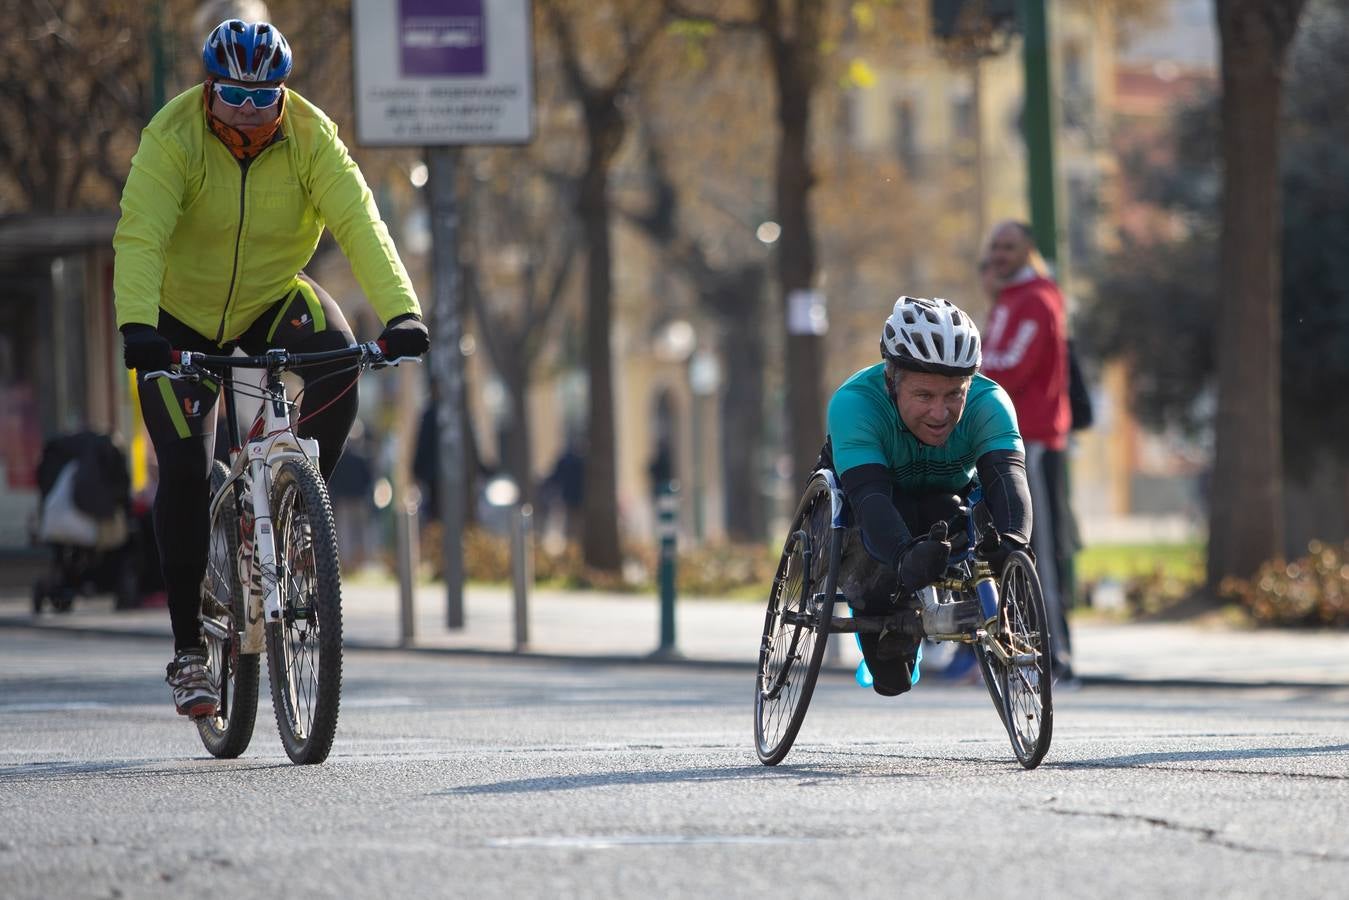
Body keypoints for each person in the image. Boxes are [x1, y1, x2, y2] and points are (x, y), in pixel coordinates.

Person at [113, 20, 430, 718]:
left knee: (342, 362)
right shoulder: (173, 138)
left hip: (268, 296)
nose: (250, 110)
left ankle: (293, 511)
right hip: (175, 317)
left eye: (265, 96)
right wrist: (137, 325)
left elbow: (360, 222)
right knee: (188, 473)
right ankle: (190, 654)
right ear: (207, 88)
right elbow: (140, 233)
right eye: (232, 94)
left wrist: (401, 314)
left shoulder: (311, 137)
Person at [821, 295, 1033, 696]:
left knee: (981, 524)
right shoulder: (855, 404)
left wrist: (1013, 544)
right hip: (871, 513)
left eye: (954, 394)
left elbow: (1009, 480)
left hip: (943, 504)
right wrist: (902, 556)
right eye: (924, 396)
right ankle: (886, 609)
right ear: (891, 379)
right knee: (892, 680)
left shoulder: (990, 403)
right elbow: (869, 501)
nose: (940, 413)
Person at [980, 221, 1078, 683]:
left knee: (1037, 548)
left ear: (1027, 250)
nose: (999, 254)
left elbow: (1013, 366)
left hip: (1032, 438)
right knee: (1012, 544)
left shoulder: (1037, 300)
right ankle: (1023, 646)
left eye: (1009, 246)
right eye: (995, 246)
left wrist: (969, 367)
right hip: (1004, 433)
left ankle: (1056, 657)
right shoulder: (1007, 299)